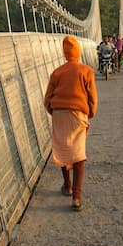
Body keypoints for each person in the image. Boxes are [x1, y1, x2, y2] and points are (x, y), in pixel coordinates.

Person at [44, 35, 98, 210]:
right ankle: (76, 197)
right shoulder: (86, 71)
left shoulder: (57, 72)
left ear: (64, 52)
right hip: (78, 113)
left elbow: (47, 99)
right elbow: (92, 98)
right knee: (78, 153)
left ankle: (67, 185)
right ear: (78, 52)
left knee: (63, 149)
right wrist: (90, 113)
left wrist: (53, 112)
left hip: (59, 114)